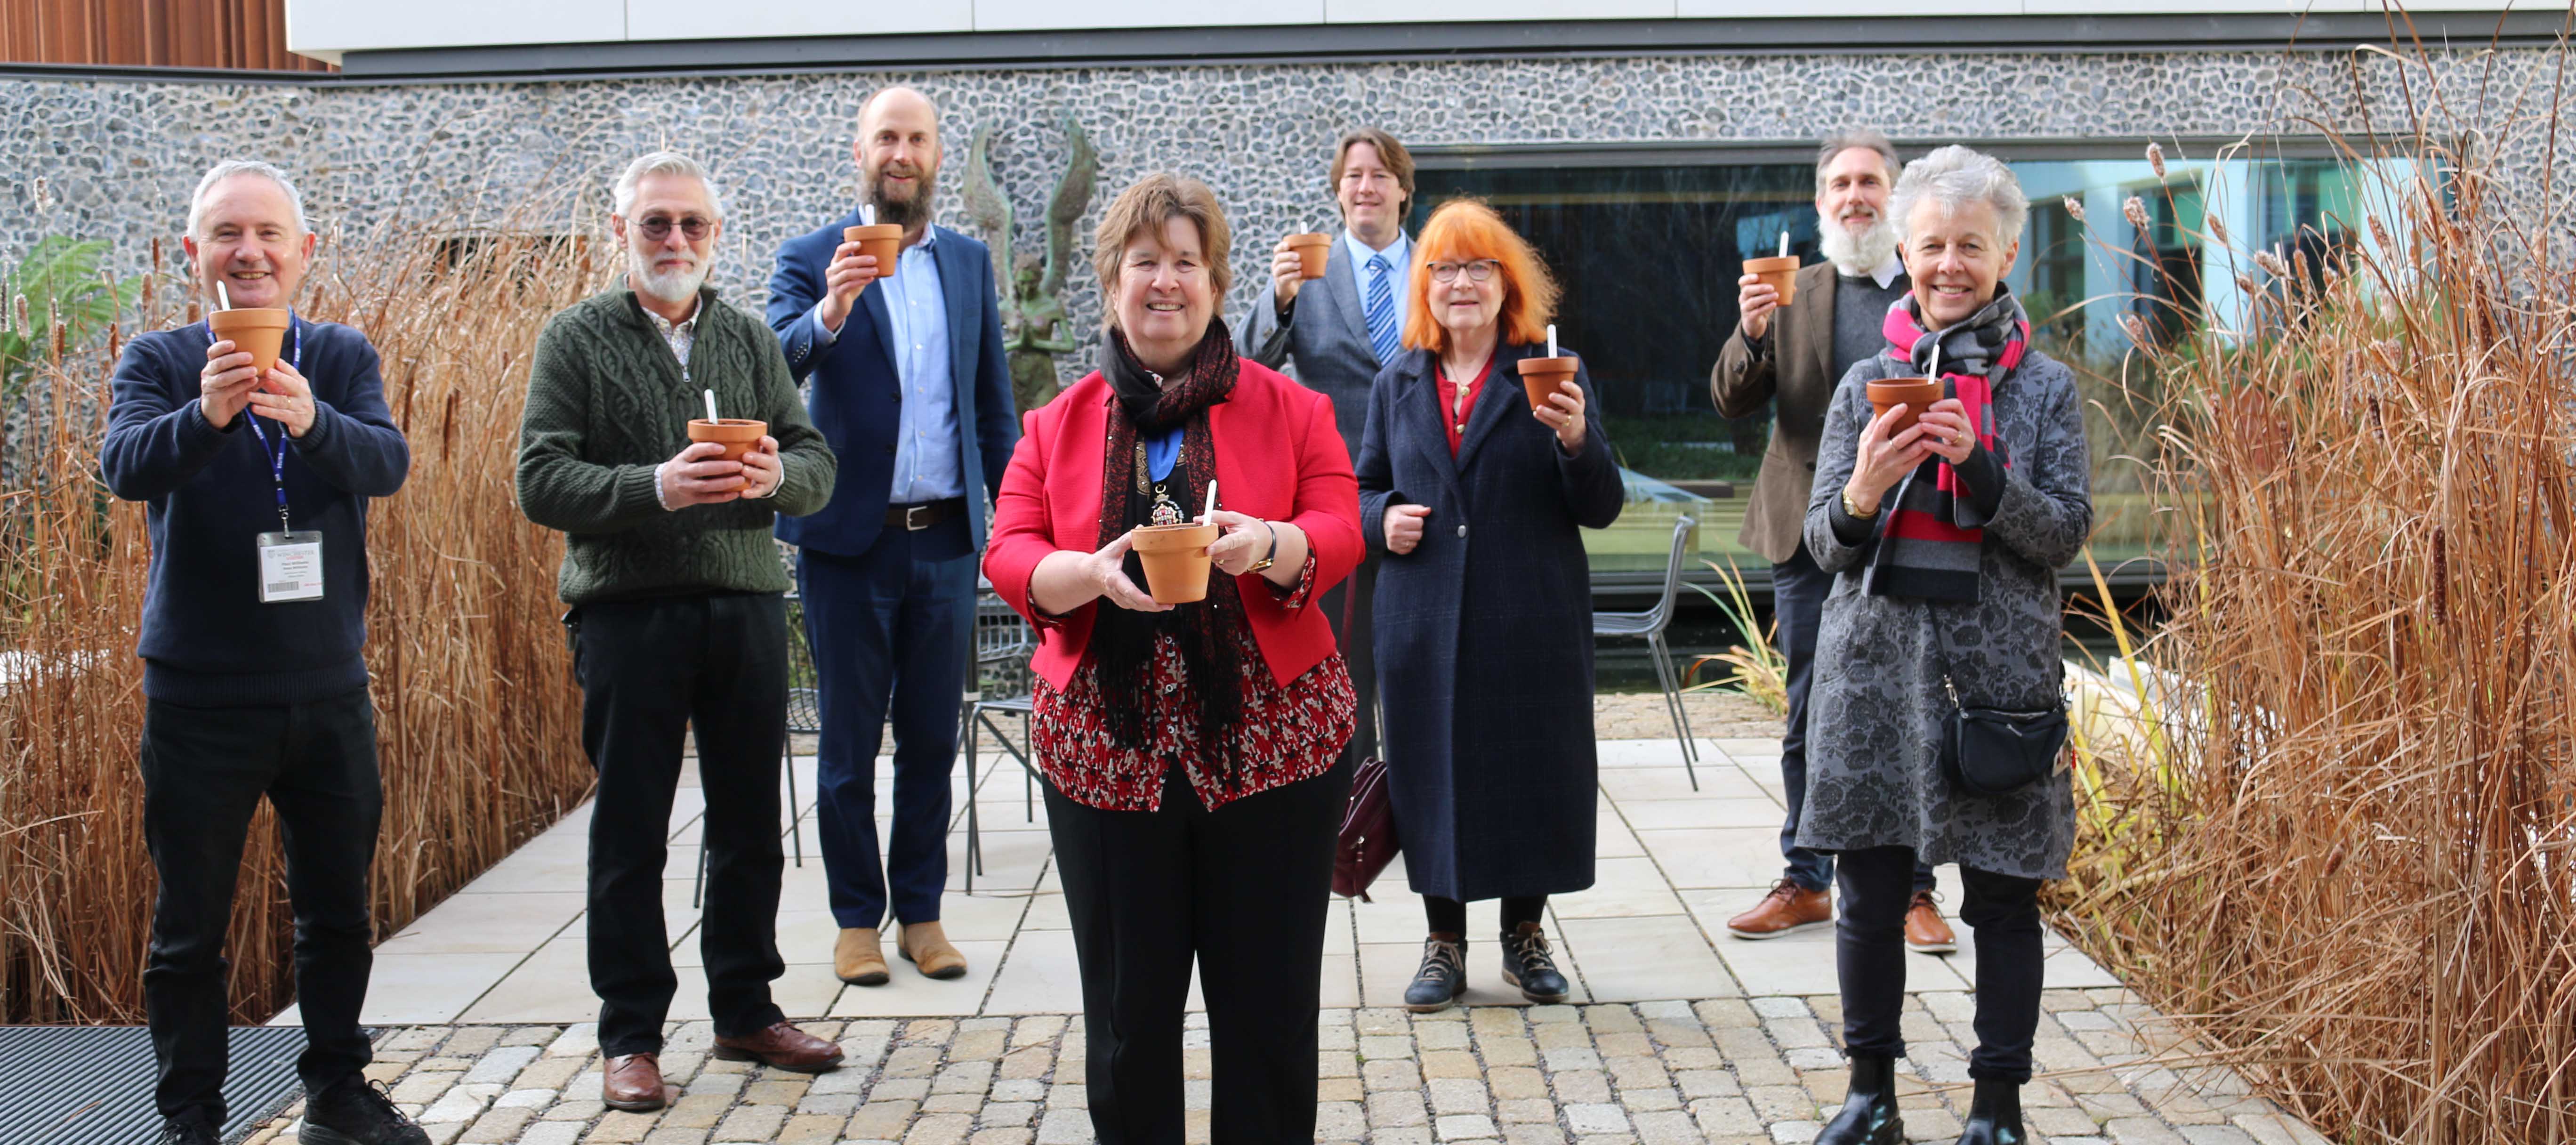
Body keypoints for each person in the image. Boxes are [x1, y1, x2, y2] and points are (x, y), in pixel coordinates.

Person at [983, 173, 1360, 1143]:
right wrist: (1086, 573)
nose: (1165, 281)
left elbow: (1338, 523)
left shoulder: (1295, 408)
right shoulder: (1054, 422)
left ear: (1216, 281)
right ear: (1112, 280)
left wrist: (1265, 543)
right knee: (1127, 1021)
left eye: (1186, 262)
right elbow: (1010, 548)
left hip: (1274, 752)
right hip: (1108, 761)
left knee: (1270, 1018)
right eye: (1145, 261)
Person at [99, 160, 424, 1145]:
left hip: (328, 687)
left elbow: (389, 461)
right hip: (201, 698)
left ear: (302, 252)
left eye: (269, 234)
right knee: (190, 926)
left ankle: (337, 1091)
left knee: (337, 912)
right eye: (227, 234)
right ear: (196, 253)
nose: (249, 252)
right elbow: (122, 467)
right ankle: (192, 1115)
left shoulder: (338, 353)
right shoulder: (160, 360)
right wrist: (206, 415)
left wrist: (309, 418)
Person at [516, 151, 845, 1113]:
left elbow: (815, 458)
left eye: (693, 225)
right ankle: (630, 1033)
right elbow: (540, 478)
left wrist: (775, 479)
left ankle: (745, 1006)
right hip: (627, 614)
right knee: (631, 831)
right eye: (656, 223)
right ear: (619, 232)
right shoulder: (574, 339)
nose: (675, 241)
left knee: (751, 827)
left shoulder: (748, 338)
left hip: (743, 605)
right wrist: (652, 487)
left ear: (716, 236)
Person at [1800, 145, 2093, 1145]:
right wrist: (1866, 490)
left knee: (2005, 903)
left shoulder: (2044, 389)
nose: (1949, 265)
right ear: (1905, 251)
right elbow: (1822, 543)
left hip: (1995, 681)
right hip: (1874, 680)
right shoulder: (1864, 387)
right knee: (1869, 895)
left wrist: (1986, 470)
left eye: (1972, 245)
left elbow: (2063, 534)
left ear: (2007, 253)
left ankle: (1996, 1107)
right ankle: (1869, 1095)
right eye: (1931, 245)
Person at [766, 85, 1016, 987]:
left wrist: (1017, 515)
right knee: (845, 743)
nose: (900, 153)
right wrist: (831, 307)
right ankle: (853, 920)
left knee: (931, 740)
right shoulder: (810, 257)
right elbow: (774, 363)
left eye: (916, 138)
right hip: (847, 540)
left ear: (935, 155)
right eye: (885, 138)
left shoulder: (966, 264)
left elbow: (992, 402)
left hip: (945, 538)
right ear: (861, 152)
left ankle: (922, 912)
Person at [1354, 199, 1622, 1012]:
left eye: (1479, 267)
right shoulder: (1397, 380)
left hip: (1530, 608)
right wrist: (1381, 520)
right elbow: (1361, 488)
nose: (1460, 283)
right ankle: (1444, 943)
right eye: (1443, 267)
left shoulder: (1550, 367)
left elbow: (1603, 503)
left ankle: (1524, 935)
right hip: (1423, 611)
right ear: (1423, 286)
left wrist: (1578, 442)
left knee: (1529, 768)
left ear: (1507, 285)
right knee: (1431, 768)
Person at [1712, 130, 1955, 953]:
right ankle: (1806, 878)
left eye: (1870, 182)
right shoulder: (1792, 291)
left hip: (1913, 527)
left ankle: (1916, 889)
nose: (1856, 196)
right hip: (1809, 532)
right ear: (1821, 204)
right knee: (1811, 709)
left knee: (1917, 702)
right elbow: (1730, 402)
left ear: (1895, 199)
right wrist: (1750, 336)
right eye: (1840, 185)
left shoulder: (1930, 288)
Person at [1237, 128, 1416, 772]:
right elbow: (1244, 364)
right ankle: (1350, 814)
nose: (1365, 187)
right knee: (1345, 664)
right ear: (1339, 193)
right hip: (1336, 497)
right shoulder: (1307, 271)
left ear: (1403, 190)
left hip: (1424, 493)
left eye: (1379, 175)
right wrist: (1277, 300)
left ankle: (1420, 794)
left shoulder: (1436, 269)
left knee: (1420, 661)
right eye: (1352, 177)